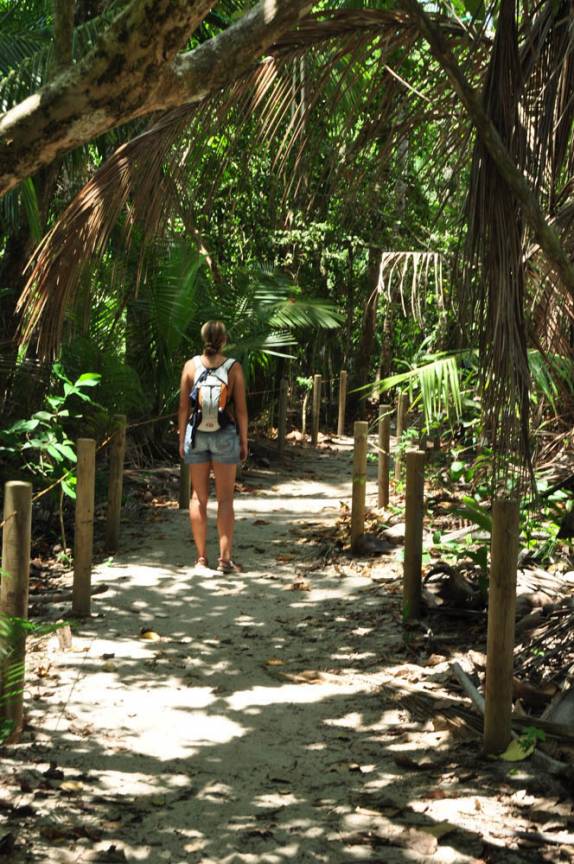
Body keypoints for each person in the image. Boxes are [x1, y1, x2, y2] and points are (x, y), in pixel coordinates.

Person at [178, 321, 248, 573]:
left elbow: (183, 408)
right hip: (224, 434)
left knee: (198, 497)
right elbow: (241, 410)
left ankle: (200, 558)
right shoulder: (233, 367)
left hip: (197, 433)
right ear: (225, 340)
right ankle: (225, 560)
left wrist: (182, 439)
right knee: (225, 498)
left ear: (203, 338)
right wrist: (244, 441)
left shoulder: (190, 366)